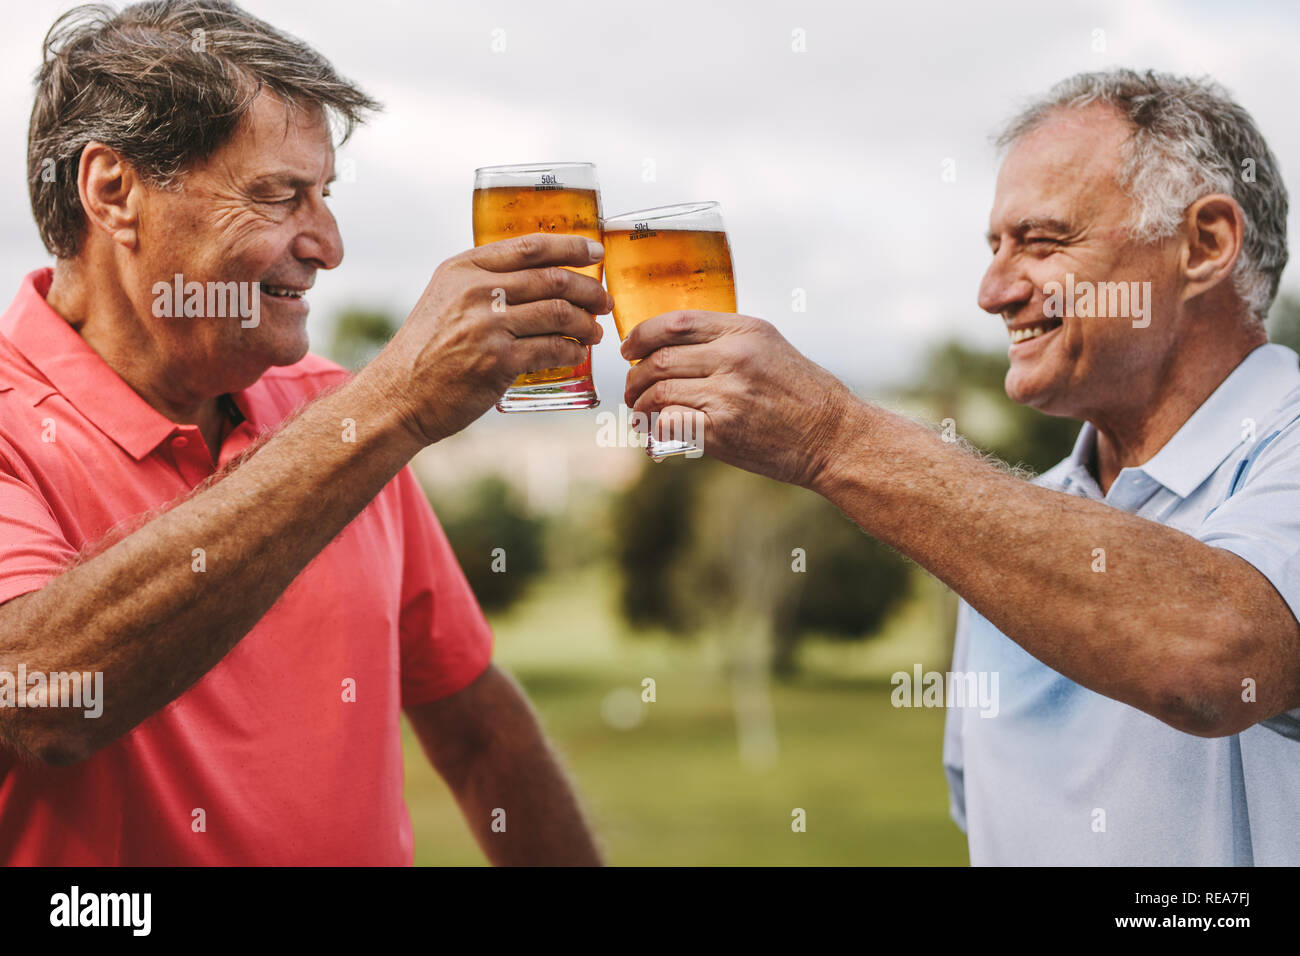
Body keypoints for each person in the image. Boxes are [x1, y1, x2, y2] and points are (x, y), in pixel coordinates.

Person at [622, 68, 1300, 865]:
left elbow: (1215, 655)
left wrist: (833, 437)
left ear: (1206, 244)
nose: (994, 291)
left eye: (1043, 242)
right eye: (994, 248)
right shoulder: (1019, 525)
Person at [0, 0, 608, 865]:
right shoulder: (364, 422)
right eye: (281, 195)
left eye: (324, 196)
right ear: (114, 191)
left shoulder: (339, 411)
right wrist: (392, 406)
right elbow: (41, 697)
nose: (328, 244)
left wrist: (374, 415)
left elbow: (475, 724)